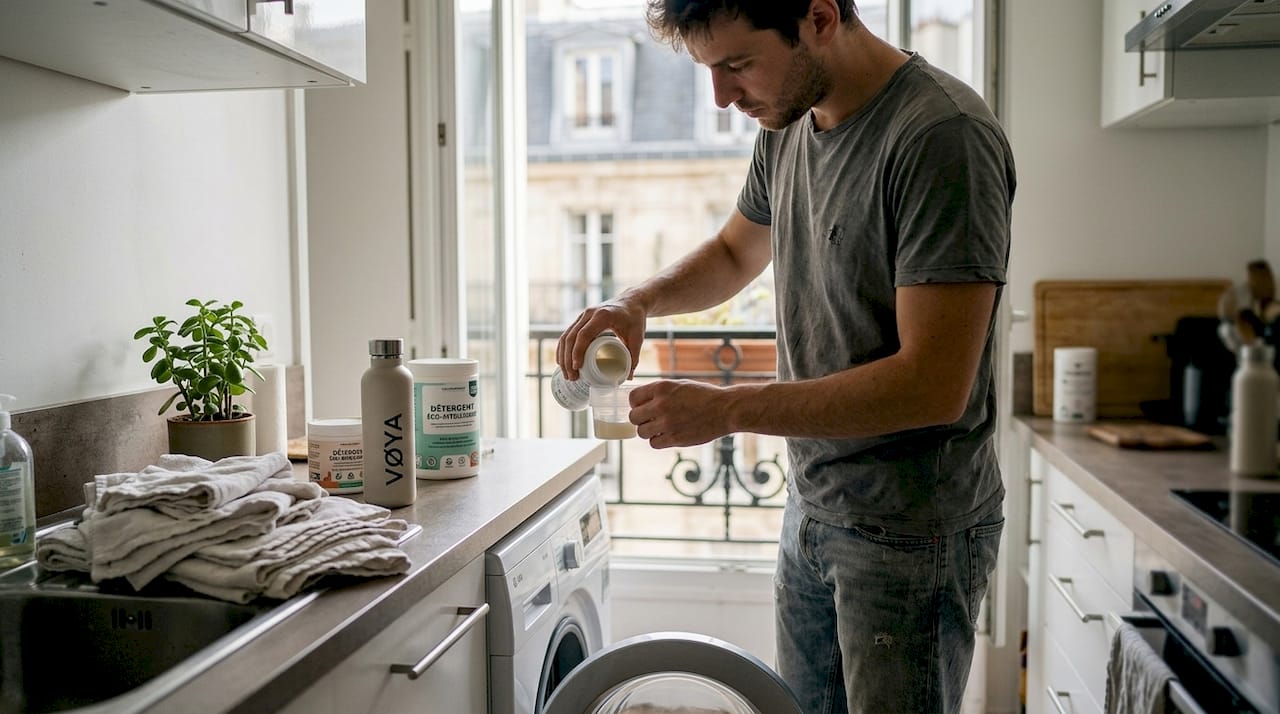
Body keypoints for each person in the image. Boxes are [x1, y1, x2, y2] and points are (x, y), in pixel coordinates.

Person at [554, 0, 1015, 711]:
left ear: (820, 18)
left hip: (909, 532)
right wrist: (637, 302)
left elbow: (932, 385)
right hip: (814, 504)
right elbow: (737, 250)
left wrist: (728, 408)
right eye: (711, 70)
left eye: (737, 65)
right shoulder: (789, 122)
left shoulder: (941, 137)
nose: (722, 95)